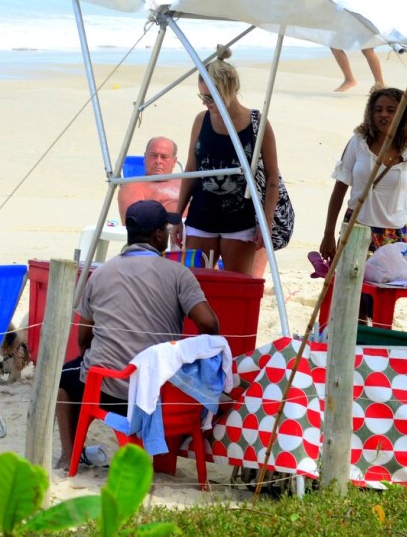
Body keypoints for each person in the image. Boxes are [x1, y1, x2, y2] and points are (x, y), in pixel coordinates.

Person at [55, 200, 219, 470]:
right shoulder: (179, 273)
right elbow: (209, 325)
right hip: (160, 394)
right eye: (166, 229)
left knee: (66, 378)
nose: (167, 234)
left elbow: (83, 339)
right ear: (157, 235)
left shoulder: (101, 273)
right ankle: (163, 460)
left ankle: (68, 456)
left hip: (108, 390)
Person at [171, 48, 281, 275]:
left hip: (240, 220)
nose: (206, 103)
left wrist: (266, 222)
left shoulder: (257, 123)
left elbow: (272, 177)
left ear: (229, 90)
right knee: (193, 289)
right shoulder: (201, 120)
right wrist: (177, 217)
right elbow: (191, 171)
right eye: (203, 97)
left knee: (235, 288)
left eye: (211, 97)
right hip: (200, 217)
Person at [319, 86, 407, 264]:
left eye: (391, 110)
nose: (384, 115)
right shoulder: (358, 143)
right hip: (358, 228)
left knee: (394, 286)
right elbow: (340, 189)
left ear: (403, 116)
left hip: (397, 234)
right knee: (353, 288)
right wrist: (328, 233)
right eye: (378, 110)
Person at [330, 0, 386, 93]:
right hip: (364, 14)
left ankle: (350, 79)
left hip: (352, 15)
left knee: (335, 46)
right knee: (368, 50)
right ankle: (379, 83)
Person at [116, 136, 181, 221]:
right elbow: (134, 224)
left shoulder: (185, 183)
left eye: (164, 157)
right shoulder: (132, 186)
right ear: (145, 157)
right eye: (153, 156)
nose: (158, 161)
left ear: (174, 161)